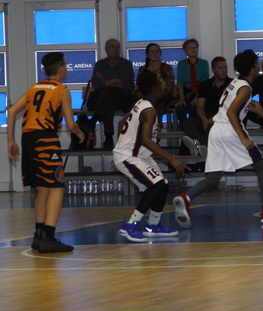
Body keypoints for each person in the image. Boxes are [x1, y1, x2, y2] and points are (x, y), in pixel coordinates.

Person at [173, 50, 263, 227]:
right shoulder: (245, 88)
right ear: (252, 67)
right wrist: (244, 138)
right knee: (262, 167)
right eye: (257, 63)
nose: (259, 66)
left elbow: (239, 104)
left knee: (213, 177)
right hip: (230, 130)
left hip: (217, 131)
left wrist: (260, 112)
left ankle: (186, 198)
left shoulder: (235, 83)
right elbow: (231, 112)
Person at [5, 52, 86, 253]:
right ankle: (48, 236)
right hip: (46, 139)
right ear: (61, 69)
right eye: (66, 66)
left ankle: (39, 237)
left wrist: (11, 141)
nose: (67, 69)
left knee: (42, 189)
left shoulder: (35, 87)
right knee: (57, 187)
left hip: (28, 139)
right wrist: (80, 134)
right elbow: (71, 123)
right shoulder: (61, 89)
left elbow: (12, 111)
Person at [114, 71, 190, 242]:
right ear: (155, 90)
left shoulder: (140, 104)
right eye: (160, 84)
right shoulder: (149, 110)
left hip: (137, 155)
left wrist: (118, 147)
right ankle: (131, 224)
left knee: (163, 185)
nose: (163, 87)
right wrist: (171, 158)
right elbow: (146, 140)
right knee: (156, 186)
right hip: (130, 156)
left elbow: (121, 123)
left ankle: (153, 225)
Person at [85, 38, 135, 149]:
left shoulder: (126, 64)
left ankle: (97, 122)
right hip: (107, 100)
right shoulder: (100, 64)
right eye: (112, 47)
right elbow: (96, 84)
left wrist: (106, 81)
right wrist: (117, 80)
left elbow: (128, 84)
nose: (115, 49)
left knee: (107, 93)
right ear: (106, 50)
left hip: (121, 99)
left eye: (117, 47)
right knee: (108, 99)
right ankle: (108, 136)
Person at [181, 56, 231, 157]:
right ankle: (200, 146)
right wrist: (204, 119)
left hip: (223, 117)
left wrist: (213, 119)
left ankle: (199, 146)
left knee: (212, 127)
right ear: (213, 70)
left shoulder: (232, 84)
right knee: (187, 122)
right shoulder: (205, 84)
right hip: (207, 115)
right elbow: (200, 106)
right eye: (220, 68)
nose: (224, 70)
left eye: (225, 67)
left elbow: (230, 107)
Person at [173, 38, 210, 123]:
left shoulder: (204, 63)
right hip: (186, 92)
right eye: (190, 48)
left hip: (200, 92)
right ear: (185, 51)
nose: (193, 50)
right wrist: (181, 98)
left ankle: (194, 129)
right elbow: (180, 82)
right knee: (180, 108)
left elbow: (204, 83)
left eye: (195, 47)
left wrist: (197, 97)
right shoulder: (181, 64)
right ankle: (185, 128)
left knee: (194, 108)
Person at [137, 43, 176, 118]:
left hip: (162, 96)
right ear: (147, 55)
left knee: (158, 102)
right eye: (152, 51)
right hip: (146, 96)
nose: (155, 53)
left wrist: (156, 95)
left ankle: (157, 123)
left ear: (160, 53)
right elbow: (138, 86)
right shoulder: (142, 69)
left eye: (156, 51)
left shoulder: (167, 68)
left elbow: (169, 87)